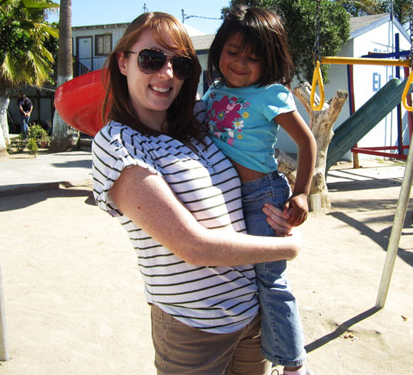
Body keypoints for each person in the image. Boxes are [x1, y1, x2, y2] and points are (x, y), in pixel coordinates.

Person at [91, 11, 302, 375]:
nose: (167, 73)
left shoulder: (201, 122)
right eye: (152, 59)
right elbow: (193, 246)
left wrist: (278, 213)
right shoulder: (118, 143)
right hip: (193, 328)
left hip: (251, 314)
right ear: (123, 63)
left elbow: (251, 174)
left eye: (181, 64)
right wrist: (290, 247)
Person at [202, 6, 317, 375]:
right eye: (232, 52)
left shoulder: (271, 94)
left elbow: (307, 142)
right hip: (225, 199)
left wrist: (301, 193)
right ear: (219, 49)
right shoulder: (212, 92)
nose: (239, 63)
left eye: (253, 56)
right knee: (238, 278)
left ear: (269, 60)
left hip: (261, 198)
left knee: (270, 280)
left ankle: (294, 365)